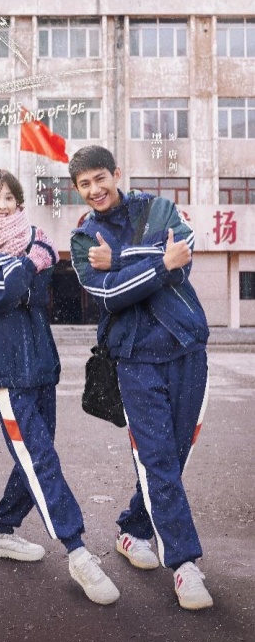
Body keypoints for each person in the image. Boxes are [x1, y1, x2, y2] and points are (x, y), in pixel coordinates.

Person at [0, 168, 120, 606]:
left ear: (19, 202)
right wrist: (25, 267)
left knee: (35, 454)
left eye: (9, 197)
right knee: (38, 457)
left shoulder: (36, 238)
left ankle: (0, 531)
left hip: (42, 364)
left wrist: (13, 278)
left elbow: (35, 293)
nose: (2, 205)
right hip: (3, 370)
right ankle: (77, 551)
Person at [69, 145, 213, 611]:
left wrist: (122, 259)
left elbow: (182, 261)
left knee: (174, 456)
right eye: (84, 185)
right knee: (157, 459)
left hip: (187, 349)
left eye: (100, 178)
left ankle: (133, 529)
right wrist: (157, 262)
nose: (95, 190)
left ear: (116, 173)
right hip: (134, 361)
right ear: (77, 190)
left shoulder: (160, 207)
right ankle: (185, 564)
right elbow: (111, 296)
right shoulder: (83, 238)